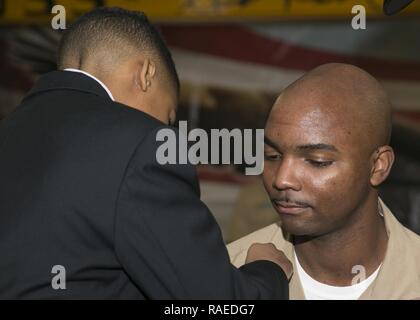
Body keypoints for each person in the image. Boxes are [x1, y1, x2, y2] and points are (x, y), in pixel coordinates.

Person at [0, 7, 292, 299]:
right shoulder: (143, 143)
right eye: (167, 117)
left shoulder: (11, 130)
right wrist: (267, 269)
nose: (165, 129)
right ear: (145, 74)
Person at [227, 63, 420, 300]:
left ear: (378, 166)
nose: (282, 179)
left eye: (317, 161)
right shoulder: (225, 277)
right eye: (272, 156)